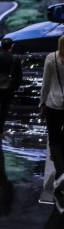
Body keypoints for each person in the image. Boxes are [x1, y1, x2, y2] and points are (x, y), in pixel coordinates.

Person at [41, 34, 64, 191]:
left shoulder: (51, 58)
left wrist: (42, 102)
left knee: (54, 139)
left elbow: (46, 83)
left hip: (53, 104)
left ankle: (60, 172)